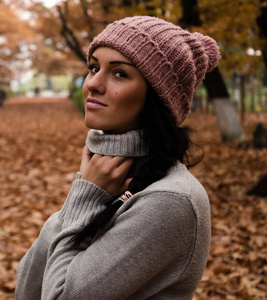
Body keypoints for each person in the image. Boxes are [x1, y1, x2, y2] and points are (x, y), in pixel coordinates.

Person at [16, 15, 220, 299]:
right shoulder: (106, 177)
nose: (93, 84)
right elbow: (26, 291)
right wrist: (84, 195)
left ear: (157, 97)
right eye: (94, 67)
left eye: (119, 73)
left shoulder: (170, 200)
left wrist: (84, 198)